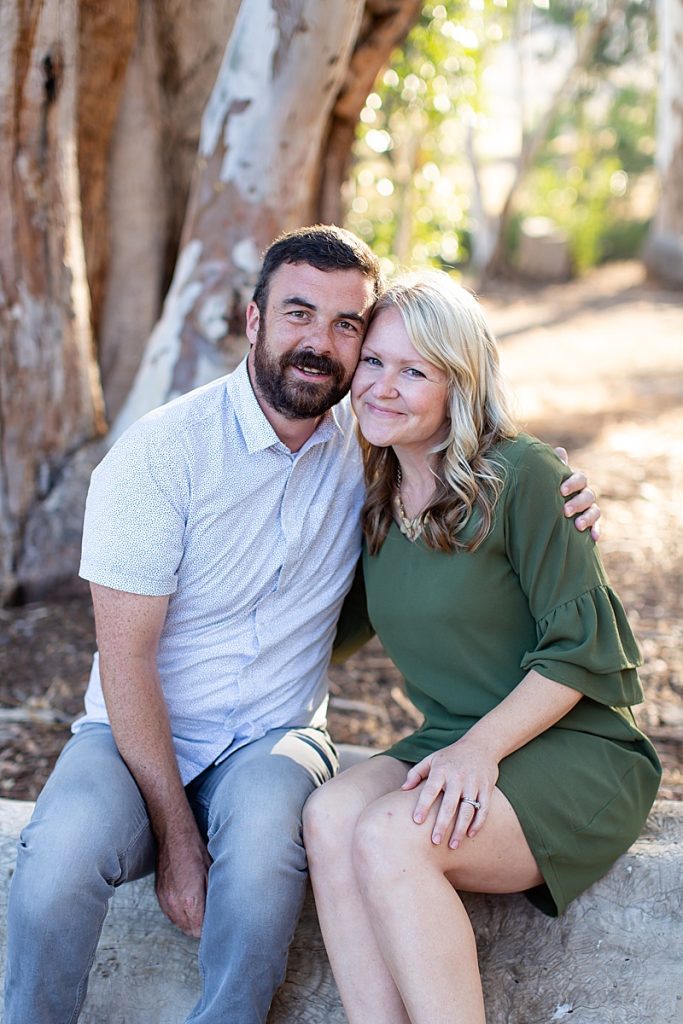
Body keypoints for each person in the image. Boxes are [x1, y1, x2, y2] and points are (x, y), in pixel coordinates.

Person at [4, 228, 600, 1024]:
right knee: (54, 864)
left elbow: (471, 456)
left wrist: (568, 494)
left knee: (258, 868)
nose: (319, 344)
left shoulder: (370, 447)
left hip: (270, 737)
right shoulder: (160, 456)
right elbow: (126, 661)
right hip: (136, 731)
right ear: (253, 322)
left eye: (346, 325)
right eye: (297, 314)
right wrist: (179, 842)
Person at [303, 270, 662, 1024]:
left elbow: (578, 649)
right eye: (373, 361)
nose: (382, 386)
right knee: (331, 815)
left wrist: (479, 753)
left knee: (394, 836)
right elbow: (314, 635)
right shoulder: (374, 501)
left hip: (569, 746)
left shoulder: (524, 477)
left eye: (414, 370)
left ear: (457, 386)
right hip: (453, 737)